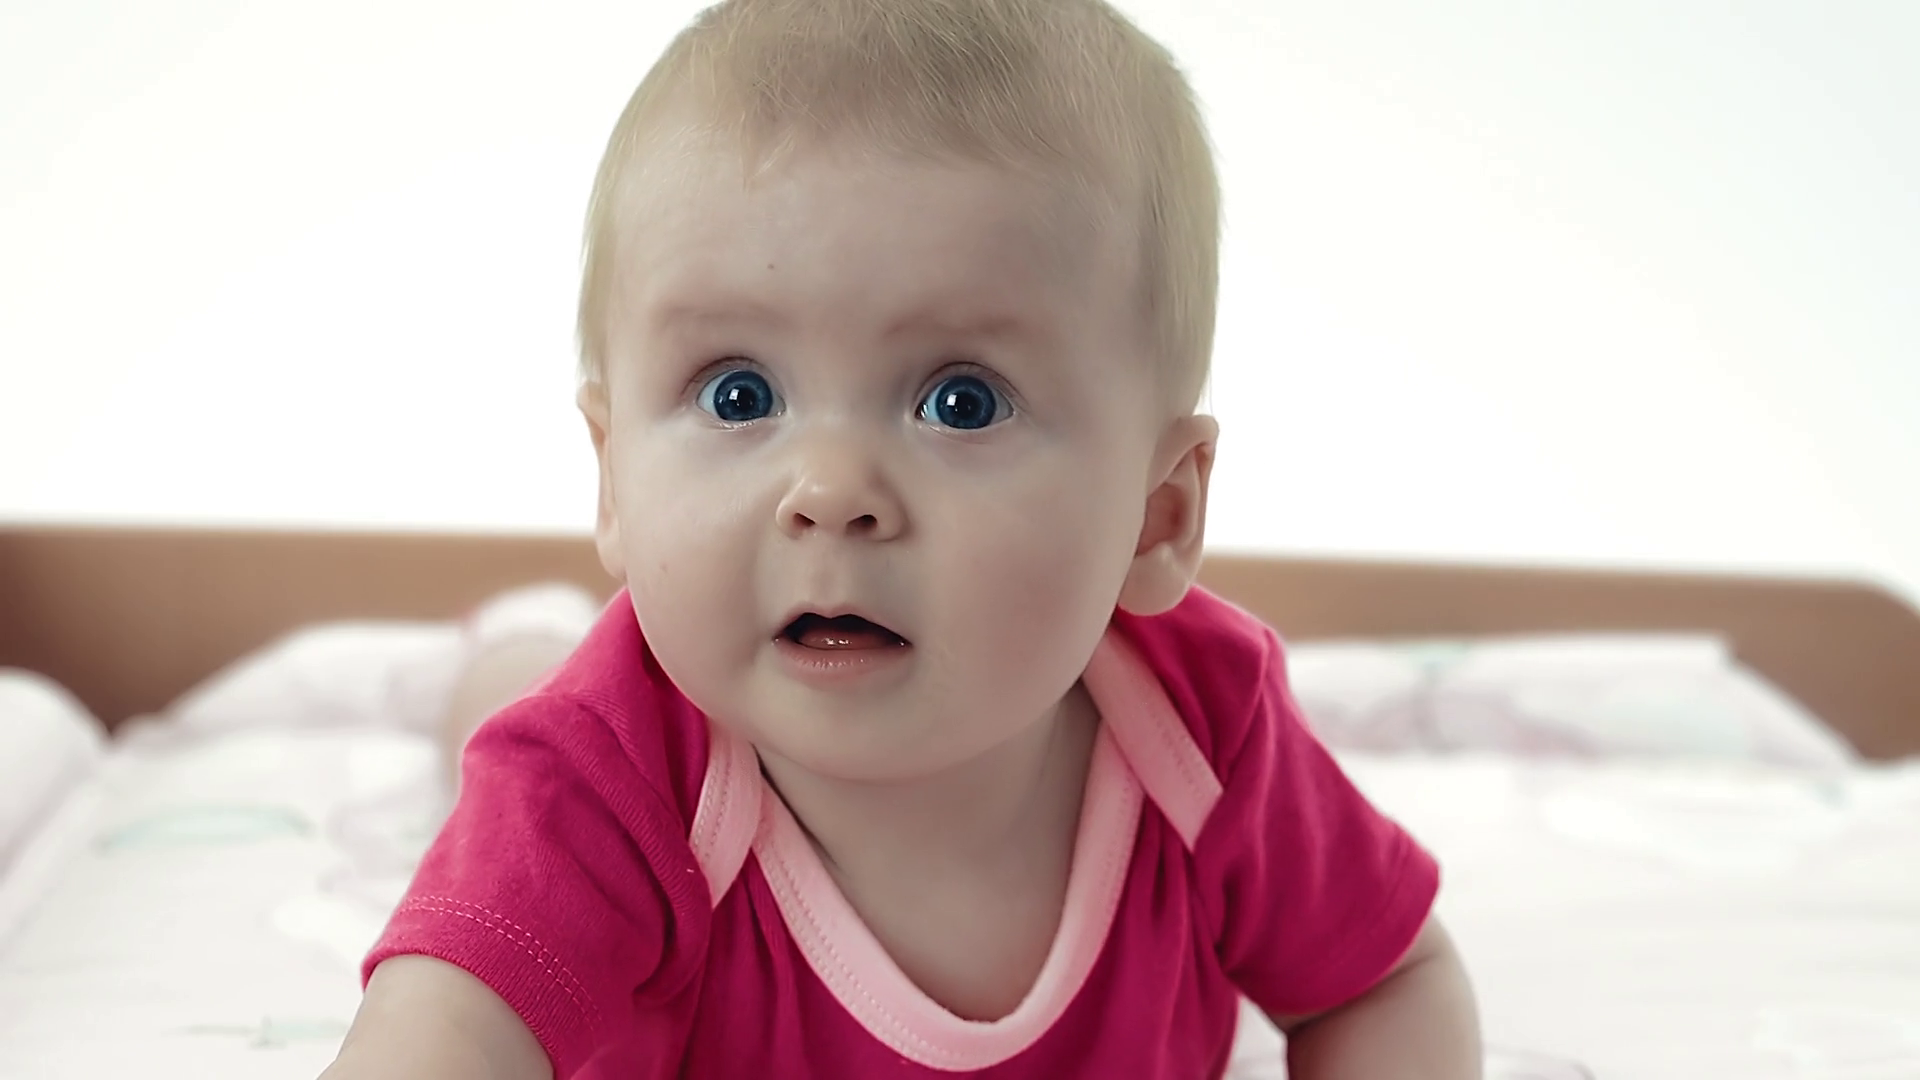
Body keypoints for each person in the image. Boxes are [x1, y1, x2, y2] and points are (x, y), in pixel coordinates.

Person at [319, 0, 1482, 1076]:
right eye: (738, 394)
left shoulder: (1201, 737)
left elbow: (1389, 981)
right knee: (520, 704)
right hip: (574, 731)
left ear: (1158, 514)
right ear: (613, 478)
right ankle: (510, 652)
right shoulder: (599, 782)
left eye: (960, 401)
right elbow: (441, 1029)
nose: (830, 493)